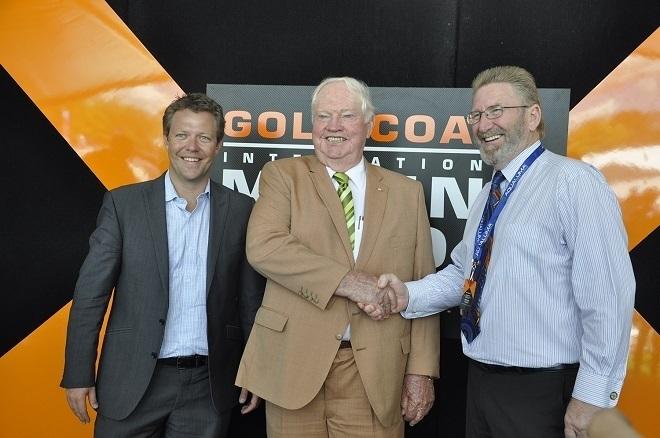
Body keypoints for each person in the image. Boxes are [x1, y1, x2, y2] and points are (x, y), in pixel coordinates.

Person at [365, 66, 636, 437]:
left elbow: (608, 298)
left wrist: (591, 397)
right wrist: (407, 295)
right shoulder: (489, 195)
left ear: (533, 115)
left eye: (496, 111)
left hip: (543, 393)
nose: (483, 124)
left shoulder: (574, 183)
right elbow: (465, 274)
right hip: (482, 384)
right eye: (476, 114)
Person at [236, 77, 440, 437]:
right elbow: (264, 247)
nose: (333, 126)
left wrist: (421, 371)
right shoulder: (283, 176)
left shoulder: (407, 193)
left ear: (368, 125)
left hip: (377, 374)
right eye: (324, 115)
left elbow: (423, 286)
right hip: (293, 366)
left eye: (346, 115)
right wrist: (352, 284)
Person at [60, 93, 265, 437]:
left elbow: (250, 302)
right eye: (182, 135)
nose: (192, 146)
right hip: (129, 381)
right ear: (166, 139)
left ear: (218, 145)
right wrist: (79, 373)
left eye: (204, 137)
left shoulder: (243, 210)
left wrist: (256, 368)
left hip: (208, 386)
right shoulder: (123, 205)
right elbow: (91, 296)